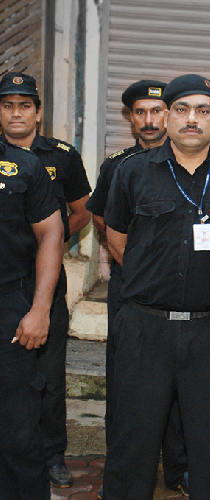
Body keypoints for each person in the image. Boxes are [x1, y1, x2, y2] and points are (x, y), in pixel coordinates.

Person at [102, 74, 210, 500]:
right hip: (145, 327)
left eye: (203, 111)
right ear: (168, 116)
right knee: (132, 440)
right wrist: (155, 276)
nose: (193, 119)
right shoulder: (132, 171)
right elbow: (117, 239)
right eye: (183, 110)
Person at [86, 80, 189, 498]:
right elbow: (102, 220)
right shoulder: (118, 165)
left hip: (181, 298)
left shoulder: (191, 163)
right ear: (130, 118)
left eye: (156, 111)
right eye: (140, 112)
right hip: (131, 291)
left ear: (170, 114)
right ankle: (124, 469)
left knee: (180, 385)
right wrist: (141, 269)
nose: (149, 120)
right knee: (126, 382)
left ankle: (178, 468)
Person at [0, 72, 91, 488]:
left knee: (40, 387)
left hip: (24, 292)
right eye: (7, 105)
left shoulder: (45, 160)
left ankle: (51, 454)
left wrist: (42, 258)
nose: (16, 113)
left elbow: (69, 219)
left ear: (38, 111)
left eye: (24, 105)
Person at [0, 137, 64, 499]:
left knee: (18, 430)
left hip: (9, 306)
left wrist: (40, 310)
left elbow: (51, 233)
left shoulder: (24, 166)